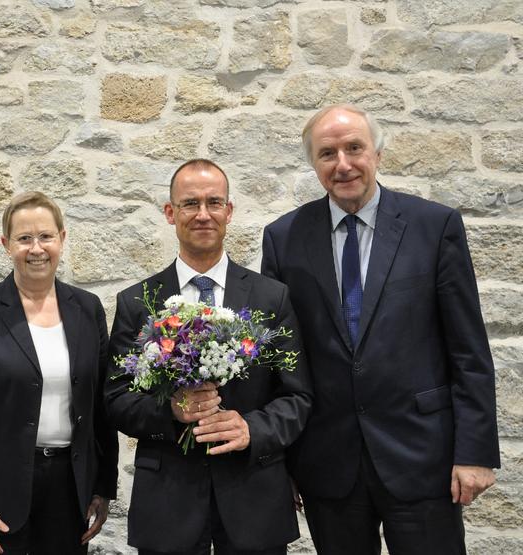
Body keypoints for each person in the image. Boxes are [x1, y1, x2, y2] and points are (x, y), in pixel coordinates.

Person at [261, 104, 500, 554]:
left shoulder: (434, 226)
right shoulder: (283, 237)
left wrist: (475, 452)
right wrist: (283, 458)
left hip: (423, 457)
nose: (343, 164)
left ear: (377, 153)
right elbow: (280, 358)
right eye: (327, 153)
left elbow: (468, 349)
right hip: (328, 463)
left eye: (355, 148)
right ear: (314, 164)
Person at [104, 159, 313, 554]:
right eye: (189, 204)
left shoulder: (272, 298)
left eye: (214, 202)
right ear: (170, 213)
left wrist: (252, 429)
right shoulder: (137, 303)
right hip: (168, 504)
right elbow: (116, 400)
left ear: (229, 211)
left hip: (253, 499)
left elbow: (298, 396)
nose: (203, 214)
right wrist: (171, 411)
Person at [0, 191, 118, 555]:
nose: (36, 248)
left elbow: (101, 407)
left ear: (62, 240)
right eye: (24, 238)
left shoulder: (87, 310)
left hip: (68, 491)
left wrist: (102, 486)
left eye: (46, 236)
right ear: (6, 245)